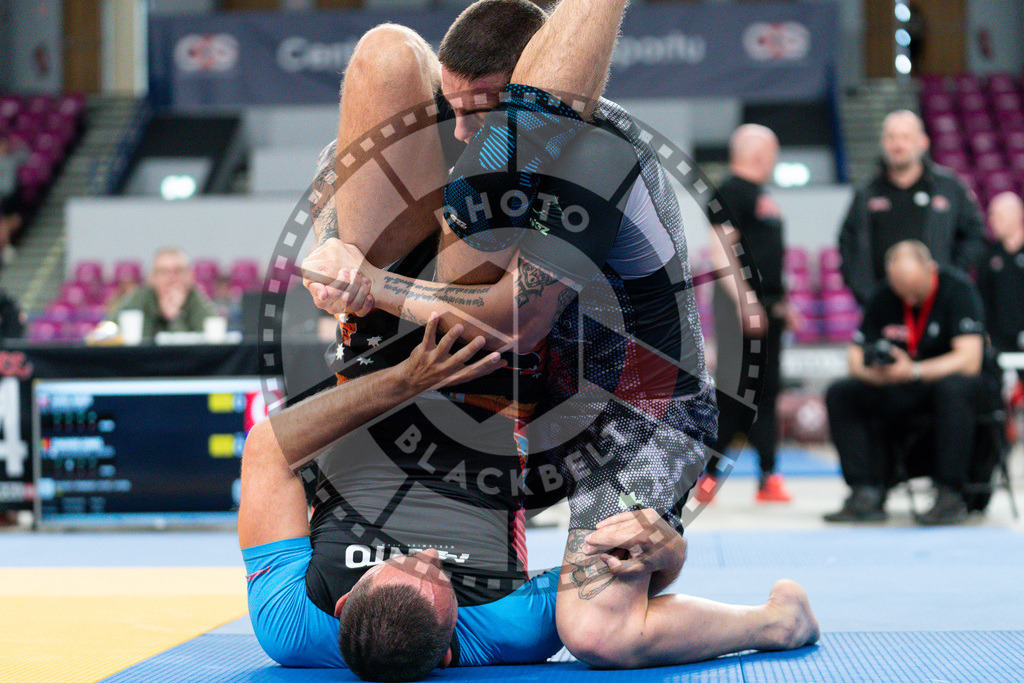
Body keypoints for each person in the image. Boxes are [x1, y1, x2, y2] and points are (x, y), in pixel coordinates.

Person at [302, 0, 817, 669]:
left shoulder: (596, 155)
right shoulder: (472, 140)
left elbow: (515, 319)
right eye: (450, 106)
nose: (460, 130)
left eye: (479, 107)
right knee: (387, 97)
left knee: (598, 631)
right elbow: (335, 172)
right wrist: (333, 250)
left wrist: (374, 282)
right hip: (531, 379)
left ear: (526, 92)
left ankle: (775, 619)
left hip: (635, 403)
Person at [241, 315, 817, 678]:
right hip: (505, 384)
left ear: (344, 606)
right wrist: (667, 552)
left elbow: (268, 448)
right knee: (600, 634)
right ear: (449, 651)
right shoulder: (506, 629)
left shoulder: (294, 624)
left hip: (379, 373)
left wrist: (404, 381)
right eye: (440, 578)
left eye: (399, 565)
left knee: (371, 204)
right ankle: (774, 623)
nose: (428, 555)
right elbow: (627, 584)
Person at [824, 240, 999, 525]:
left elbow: (970, 359)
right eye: (900, 291)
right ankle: (865, 491)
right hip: (903, 384)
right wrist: (876, 375)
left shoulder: (958, 290)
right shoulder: (884, 295)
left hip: (956, 385)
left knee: (952, 389)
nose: (908, 300)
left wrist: (914, 371)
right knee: (841, 393)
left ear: (931, 270)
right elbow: (854, 356)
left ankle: (950, 494)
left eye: (915, 291)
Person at [698, 124, 797, 504]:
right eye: (772, 152)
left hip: (768, 305)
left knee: (768, 390)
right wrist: (746, 301)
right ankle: (708, 477)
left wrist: (780, 302)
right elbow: (722, 252)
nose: (774, 160)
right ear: (757, 153)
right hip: (740, 303)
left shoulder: (763, 195)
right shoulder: (728, 191)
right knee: (736, 389)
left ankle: (769, 476)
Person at [838, 110, 985, 306]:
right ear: (882, 142)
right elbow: (847, 241)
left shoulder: (949, 187)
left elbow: (974, 236)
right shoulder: (867, 192)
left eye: (905, 137)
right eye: (891, 137)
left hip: (937, 304)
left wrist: (949, 277)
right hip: (882, 307)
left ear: (923, 142)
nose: (898, 144)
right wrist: (862, 289)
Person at [105, 246, 214, 339]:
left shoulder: (195, 298)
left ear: (190, 276)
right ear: (152, 277)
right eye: (164, 271)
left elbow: (206, 346)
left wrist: (175, 318)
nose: (171, 278)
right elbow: (111, 329)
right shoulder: (140, 297)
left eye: (178, 271)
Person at [976, 192, 1024, 358]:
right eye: (991, 215)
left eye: (999, 215)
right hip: (999, 341)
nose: (993, 220)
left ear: (1018, 215)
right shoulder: (987, 256)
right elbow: (981, 298)